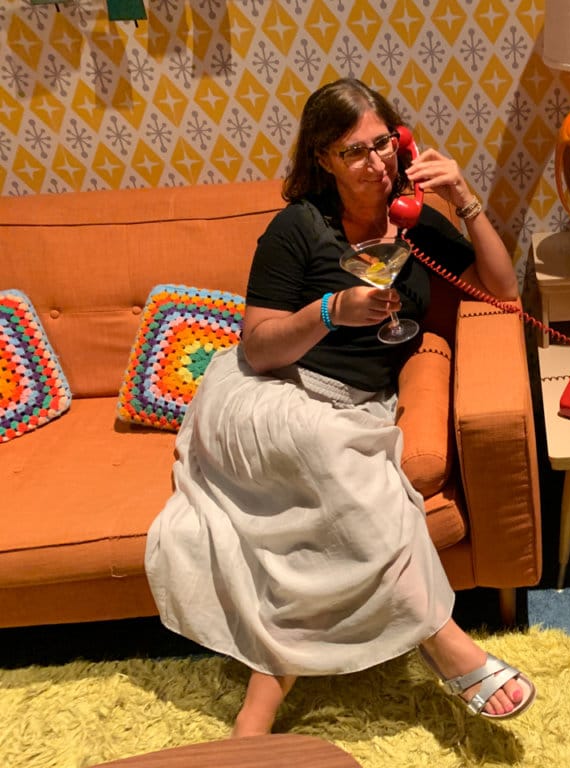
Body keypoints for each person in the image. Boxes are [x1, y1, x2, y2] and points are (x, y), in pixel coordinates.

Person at [144, 78, 534, 737]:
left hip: (350, 407)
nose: (377, 163)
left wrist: (463, 199)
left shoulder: (413, 224)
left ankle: (253, 718)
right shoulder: (298, 228)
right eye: (355, 152)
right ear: (321, 157)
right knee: (351, 465)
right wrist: (330, 311)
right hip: (266, 394)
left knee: (334, 495)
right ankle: (444, 640)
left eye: (383, 143)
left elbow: (502, 293)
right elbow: (260, 348)